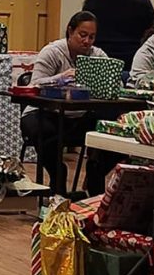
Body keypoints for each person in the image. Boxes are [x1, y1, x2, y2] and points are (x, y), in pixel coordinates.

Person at [19, 11, 107, 195]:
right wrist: (61, 78)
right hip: (43, 113)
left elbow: (114, 83)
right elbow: (35, 83)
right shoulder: (52, 51)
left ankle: (96, 173)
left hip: (78, 116)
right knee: (42, 130)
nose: (87, 41)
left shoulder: (97, 55)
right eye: (82, 35)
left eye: (92, 37)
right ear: (70, 31)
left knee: (110, 130)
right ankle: (57, 173)